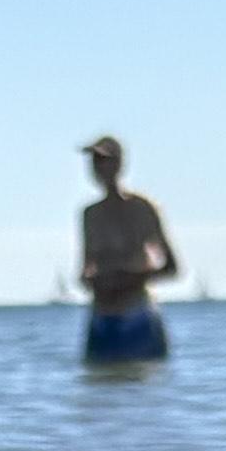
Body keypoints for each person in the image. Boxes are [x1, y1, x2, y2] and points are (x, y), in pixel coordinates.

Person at [75, 137, 179, 365]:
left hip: (137, 315)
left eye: (104, 160)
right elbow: (84, 271)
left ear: (119, 163)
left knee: (142, 379)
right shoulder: (89, 215)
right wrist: (95, 281)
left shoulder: (142, 208)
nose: (99, 168)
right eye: (95, 162)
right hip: (102, 318)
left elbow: (172, 268)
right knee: (98, 381)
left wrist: (131, 278)